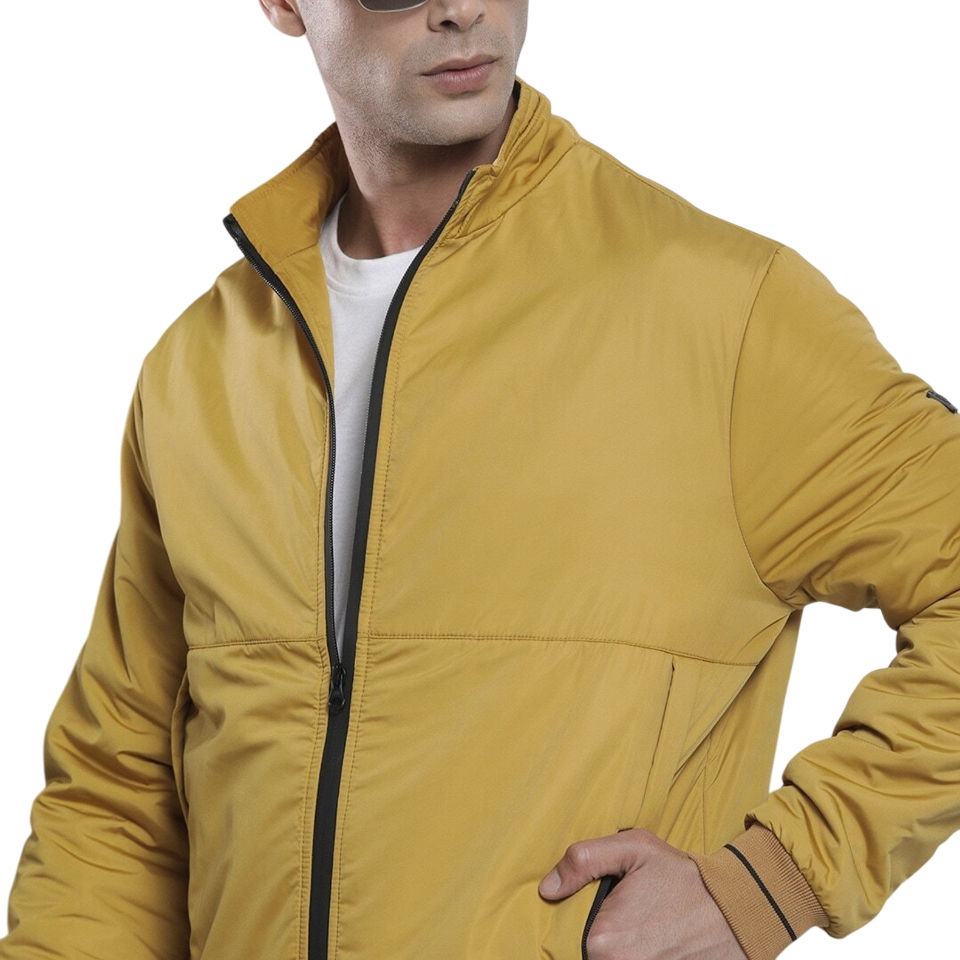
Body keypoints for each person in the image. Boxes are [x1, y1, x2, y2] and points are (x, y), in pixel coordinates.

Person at [1, 1, 958, 958]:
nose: (462, 7)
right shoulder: (203, 369)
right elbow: (119, 799)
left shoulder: (722, 312)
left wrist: (770, 882)